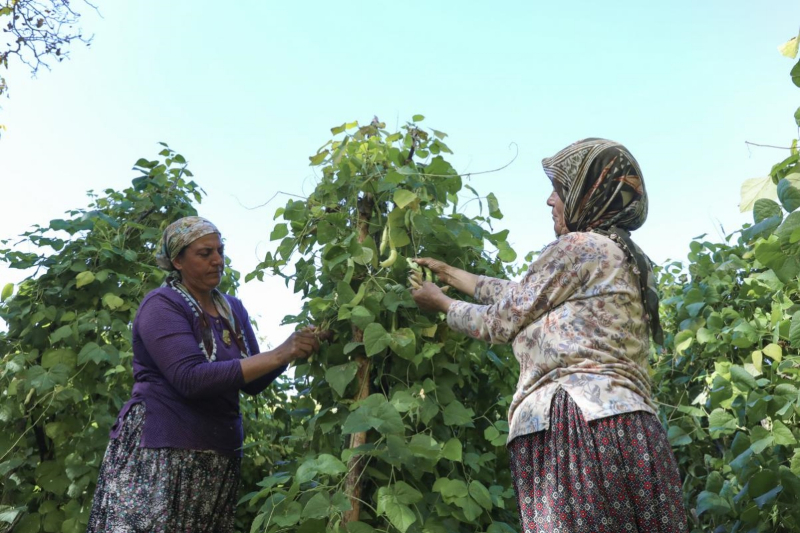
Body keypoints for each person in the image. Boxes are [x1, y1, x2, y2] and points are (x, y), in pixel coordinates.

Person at [410, 138, 686, 533]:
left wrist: (441, 303)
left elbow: (499, 322)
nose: (550, 200)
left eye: (559, 189)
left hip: (577, 429)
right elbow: (526, 295)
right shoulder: (624, 257)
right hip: (630, 432)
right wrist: (454, 276)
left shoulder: (576, 247)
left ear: (587, 193)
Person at [87, 216, 324, 533]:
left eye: (220, 251)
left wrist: (294, 351)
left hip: (216, 456)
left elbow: (252, 383)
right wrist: (280, 352)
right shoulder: (162, 304)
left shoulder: (232, 309)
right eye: (205, 253)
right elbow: (190, 378)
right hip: (164, 453)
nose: (217, 260)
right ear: (177, 261)